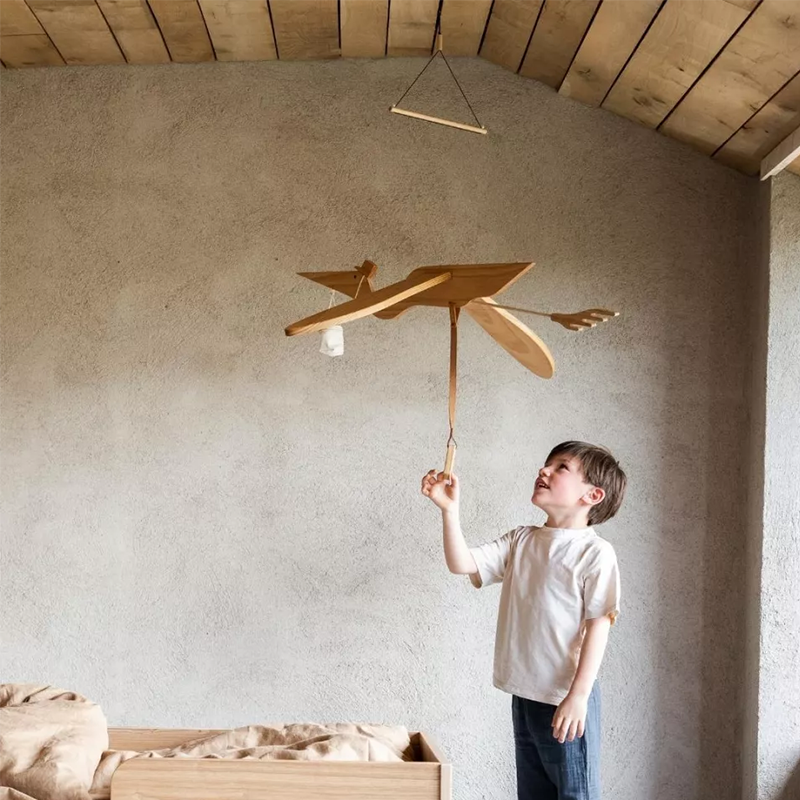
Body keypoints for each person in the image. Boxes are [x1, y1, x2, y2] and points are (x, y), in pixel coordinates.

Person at [421, 441, 627, 800]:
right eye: (547, 464)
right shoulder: (522, 540)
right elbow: (462, 563)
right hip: (526, 696)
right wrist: (449, 510)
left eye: (561, 467)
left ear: (593, 495)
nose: (544, 470)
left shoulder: (595, 553)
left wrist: (578, 696)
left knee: (575, 794)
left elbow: (599, 624)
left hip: (565, 698)